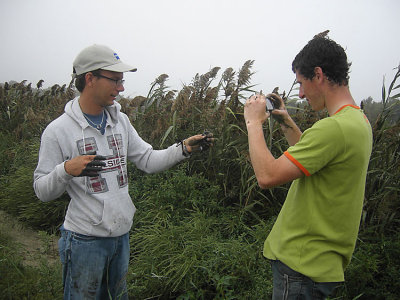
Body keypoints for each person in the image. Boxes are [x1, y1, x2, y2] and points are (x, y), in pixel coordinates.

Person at [33, 44, 213, 300]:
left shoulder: (121, 121)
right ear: (90, 79)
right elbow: (41, 190)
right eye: (115, 80)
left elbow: (148, 160)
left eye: (122, 80)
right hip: (84, 241)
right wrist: (67, 169)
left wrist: (183, 148)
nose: (121, 87)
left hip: (121, 237)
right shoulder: (58, 131)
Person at [244, 35, 373, 299]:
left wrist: (253, 122)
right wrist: (285, 121)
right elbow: (313, 158)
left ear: (319, 74)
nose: (300, 93)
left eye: (301, 83)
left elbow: (267, 176)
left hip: (300, 265)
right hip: (319, 263)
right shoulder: (358, 122)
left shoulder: (333, 128)